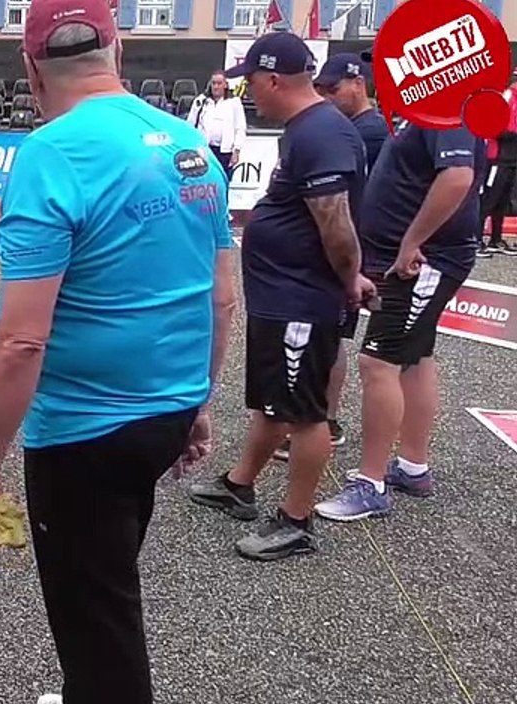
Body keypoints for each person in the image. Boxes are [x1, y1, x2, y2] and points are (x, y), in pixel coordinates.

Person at [0, 0, 235, 701]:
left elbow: (21, 341)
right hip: (166, 416)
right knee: (108, 585)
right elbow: (222, 297)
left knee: (99, 627)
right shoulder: (190, 143)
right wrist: (199, 403)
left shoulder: (52, 153)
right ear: (119, 49)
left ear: (32, 69)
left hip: (85, 435)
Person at [188, 32, 370, 561]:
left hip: (303, 299)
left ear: (272, 80)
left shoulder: (321, 134)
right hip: (282, 294)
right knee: (275, 398)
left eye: (251, 81)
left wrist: (351, 278)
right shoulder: (306, 130)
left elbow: (336, 223)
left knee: (306, 411)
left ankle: (297, 520)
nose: (249, 92)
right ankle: (240, 484)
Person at [314, 95, 487, 522]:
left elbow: (458, 176)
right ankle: (412, 466)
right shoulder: (429, 106)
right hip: (412, 256)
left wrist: (412, 242)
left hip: (424, 260)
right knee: (417, 356)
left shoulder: (449, 106)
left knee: (378, 362)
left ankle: (370, 484)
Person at [273, 51, 389, 461]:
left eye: (332, 88)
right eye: (320, 88)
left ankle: (324, 418)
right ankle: (318, 416)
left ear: (358, 84)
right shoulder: (353, 128)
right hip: (346, 249)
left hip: (348, 250)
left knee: (332, 338)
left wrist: (351, 267)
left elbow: (343, 204)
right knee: (331, 338)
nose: (325, 95)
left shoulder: (366, 132)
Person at [477, 74, 517, 258]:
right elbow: (496, 126)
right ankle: (476, 240)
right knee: (488, 199)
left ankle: (495, 239)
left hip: (511, 158)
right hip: (498, 156)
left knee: (502, 201)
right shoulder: (507, 96)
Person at [186, 70, 247, 179]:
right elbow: (190, 125)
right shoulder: (201, 101)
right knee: (204, 181)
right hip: (204, 150)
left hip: (225, 151)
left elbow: (240, 128)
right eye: (213, 83)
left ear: (225, 85)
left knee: (223, 180)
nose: (216, 87)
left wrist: (236, 150)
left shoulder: (234, 102)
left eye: (219, 83)